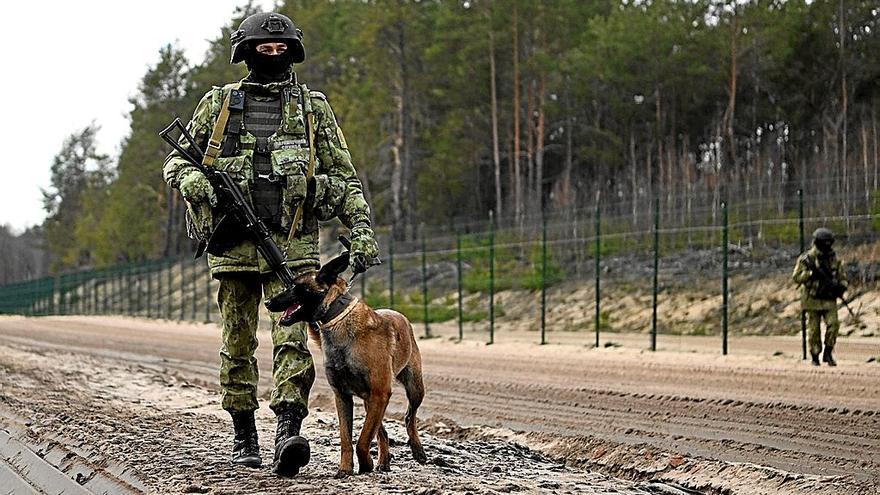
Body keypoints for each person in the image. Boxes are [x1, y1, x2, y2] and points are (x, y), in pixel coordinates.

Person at [162, 12, 379, 476]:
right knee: (237, 342)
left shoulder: (312, 108)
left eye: (282, 49)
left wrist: (361, 232)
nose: (274, 55)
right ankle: (244, 433)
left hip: (294, 250)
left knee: (292, 341)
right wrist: (200, 184)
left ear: (294, 52)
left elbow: (343, 177)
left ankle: (288, 431)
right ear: (245, 52)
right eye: (265, 48)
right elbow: (175, 166)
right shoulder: (219, 104)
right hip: (232, 249)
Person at [792, 228, 847, 367]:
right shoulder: (807, 259)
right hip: (812, 299)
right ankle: (815, 355)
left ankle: (828, 352)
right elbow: (796, 277)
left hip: (829, 299)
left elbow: (842, 278)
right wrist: (811, 274)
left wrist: (840, 287)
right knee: (814, 330)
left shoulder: (835, 259)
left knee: (833, 325)